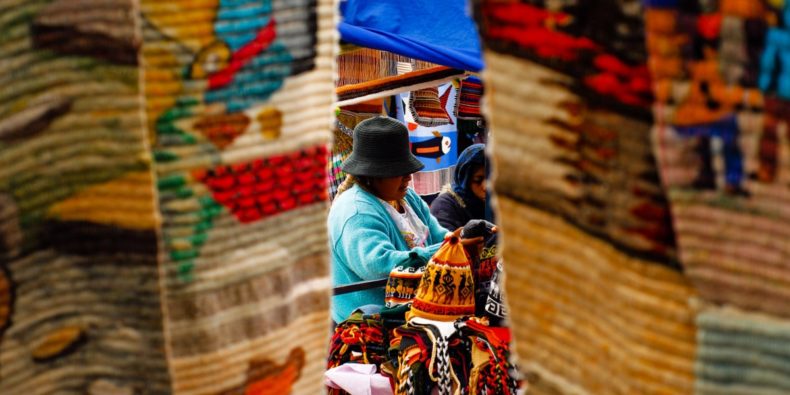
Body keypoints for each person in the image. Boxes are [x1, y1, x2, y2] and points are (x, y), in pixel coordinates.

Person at [328, 116, 479, 324]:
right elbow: (380, 265)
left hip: (415, 307)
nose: (409, 177)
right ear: (373, 174)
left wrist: (459, 239)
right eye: (399, 172)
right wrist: (449, 249)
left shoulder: (406, 197)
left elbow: (436, 233)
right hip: (371, 323)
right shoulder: (356, 212)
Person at [430, 144, 488, 230]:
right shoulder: (444, 207)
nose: (486, 187)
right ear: (464, 180)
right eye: (477, 180)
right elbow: (446, 241)